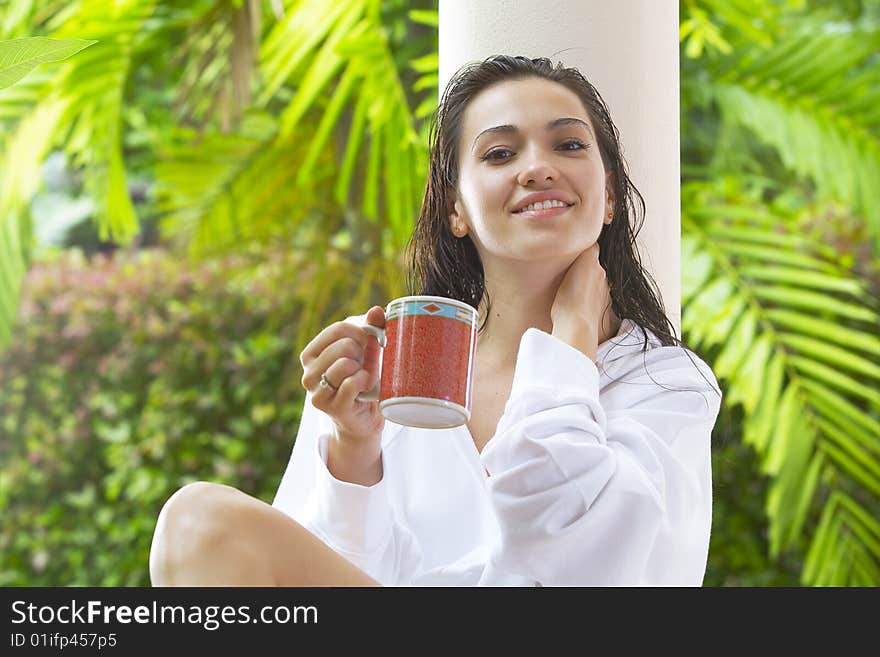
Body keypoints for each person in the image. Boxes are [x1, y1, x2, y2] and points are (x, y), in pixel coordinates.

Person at [149, 54, 722, 587]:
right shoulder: (395, 364)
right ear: (456, 209)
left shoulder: (666, 385)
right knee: (201, 523)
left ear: (611, 195)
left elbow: (578, 572)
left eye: (569, 145)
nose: (538, 168)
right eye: (500, 153)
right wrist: (357, 452)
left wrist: (571, 342)